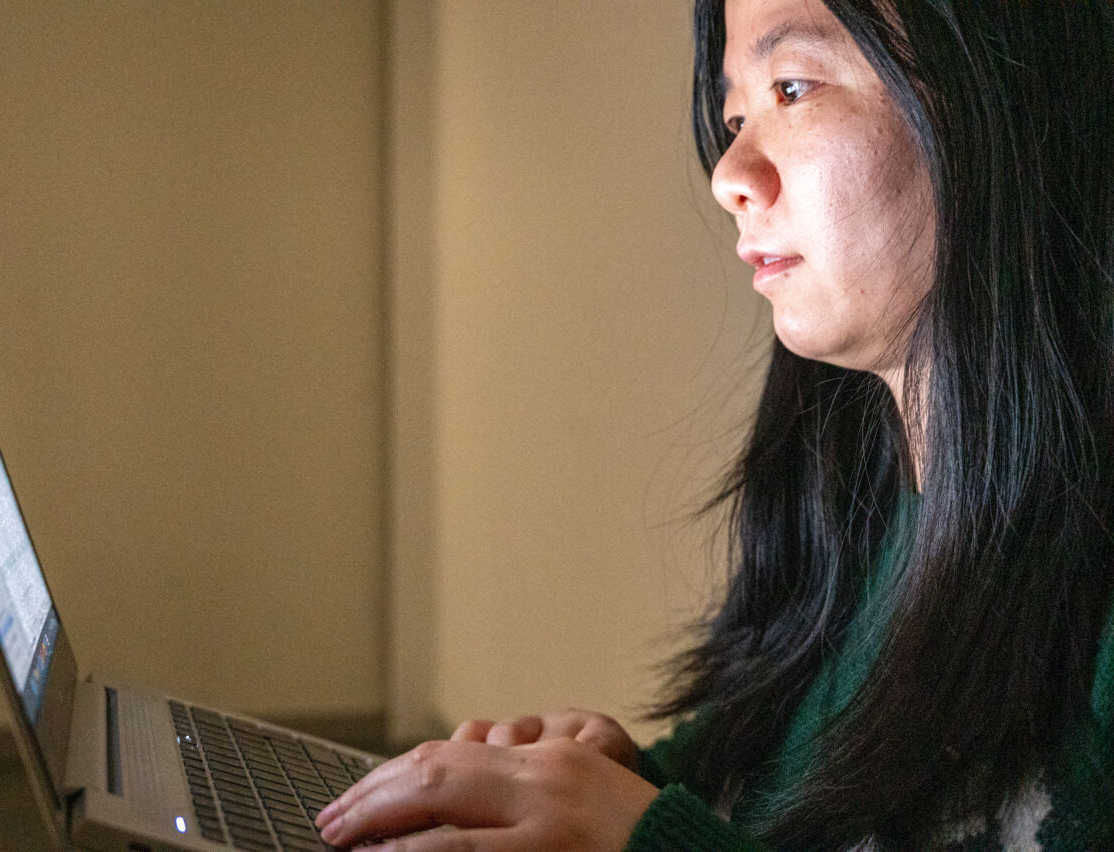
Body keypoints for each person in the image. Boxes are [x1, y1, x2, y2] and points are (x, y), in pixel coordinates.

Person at [316, 0, 1114, 848]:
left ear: (1006, 94)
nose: (730, 172)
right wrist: (625, 784)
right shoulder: (855, 508)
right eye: (735, 114)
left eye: (794, 88)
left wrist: (646, 838)